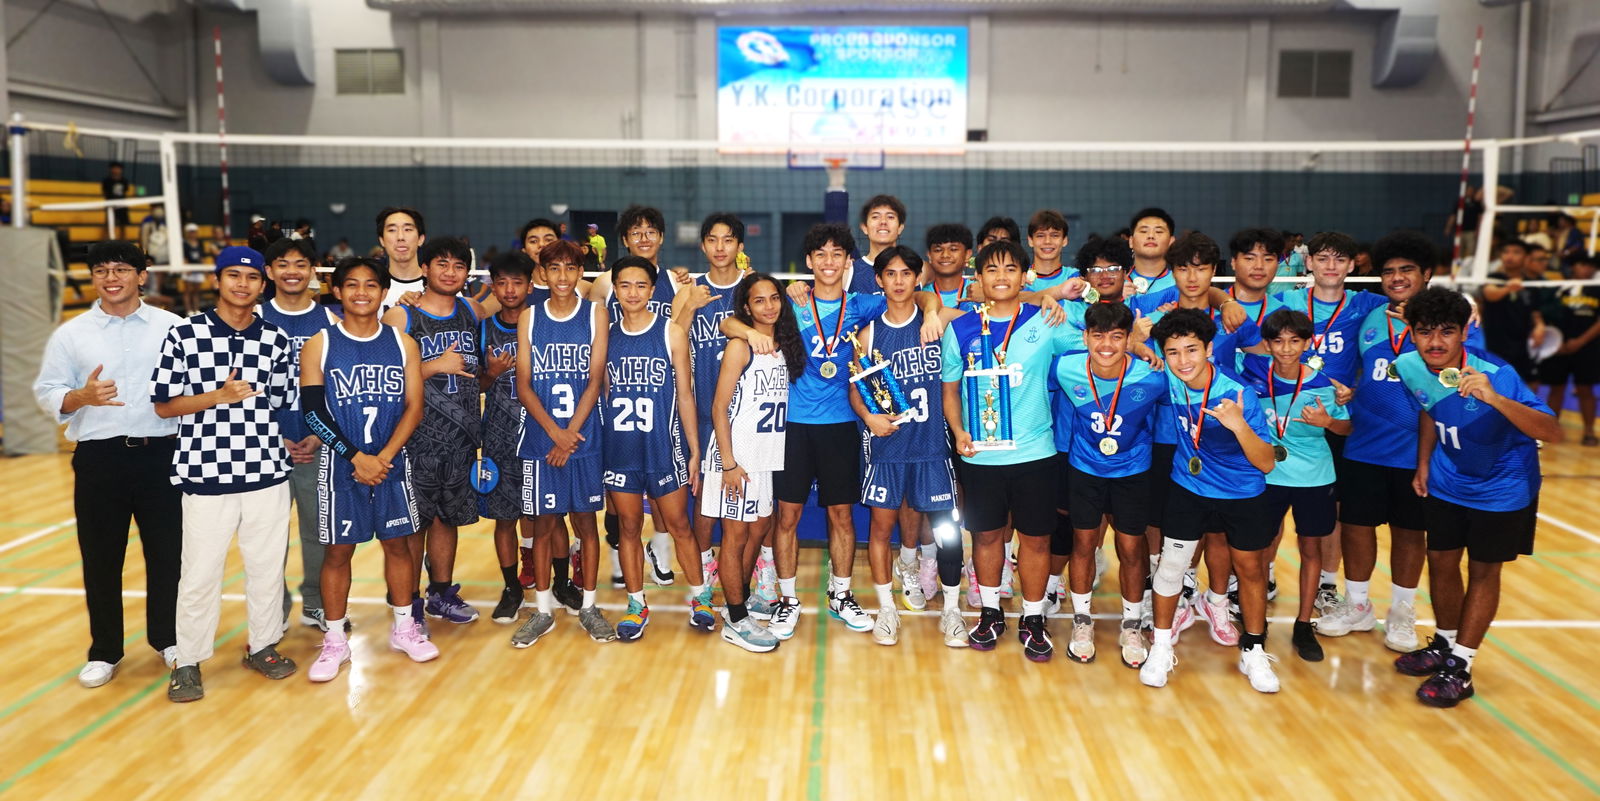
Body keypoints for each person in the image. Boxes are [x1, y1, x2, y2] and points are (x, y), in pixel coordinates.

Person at [722, 223, 946, 640]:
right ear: (808, 262)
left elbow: (920, 293)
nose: (828, 262)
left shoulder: (863, 305)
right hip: (792, 428)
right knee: (786, 516)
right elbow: (727, 323)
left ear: (847, 263)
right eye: (820, 255)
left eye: (836, 254)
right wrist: (751, 331)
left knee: (842, 516)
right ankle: (788, 600)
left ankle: (841, 594)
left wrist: (932, 311)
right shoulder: (790, 304)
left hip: (842, 425)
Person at [1393, 287, 1561, 707]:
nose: (1435, 342)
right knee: (1441, 561)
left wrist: (1496, 399)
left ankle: (1462, 667)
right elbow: (1431, 410)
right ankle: (1446, 646)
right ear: (1410, 334)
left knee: (1484, 572)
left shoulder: (1496, 372)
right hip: (1448, 483)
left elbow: (1550, 431)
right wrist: (1424, 463)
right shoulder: (1410, 366)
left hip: (1502, 488)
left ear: (1464, 332)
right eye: (1425, 332)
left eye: (1446, 332)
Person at [33, 241, 184, 688]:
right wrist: (79, 396)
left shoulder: (174, 327)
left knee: (168, 555)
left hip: (163, 455)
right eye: (101, 270)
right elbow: (47, 391)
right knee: (100, 558)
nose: (111, 277)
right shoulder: (71, 334)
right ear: (93, 278)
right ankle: (104, 651)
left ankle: (169, 639)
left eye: (121, 268)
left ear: (143, 274)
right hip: (100, 459)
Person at [151, 245, 298, 702]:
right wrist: (218, 396)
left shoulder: (275, 339)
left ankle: (263, 645)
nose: (242, 284)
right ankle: (188, 660)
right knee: (198, 574)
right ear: (217, 280)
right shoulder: (185, 334)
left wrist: (302, 439)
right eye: (232, 276)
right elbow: (163, 406)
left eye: (251, 278)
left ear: (262, 284)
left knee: (267, 569)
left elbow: (285, 404)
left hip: (267, 473)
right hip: (205, 474)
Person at [1324, 231, 1480, 650]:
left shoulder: (1451, 323)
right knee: (1355, 526)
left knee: (1409, 532)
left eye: (1406, 270)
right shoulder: (1371, 314)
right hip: (1363, 442)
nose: (1396, 278)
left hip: (1419, 449)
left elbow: (1465, 374)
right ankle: (1357, 605)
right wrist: (1349, 394)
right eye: (1389, 271)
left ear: (1427, 274)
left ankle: (1402, 611)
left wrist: (1468, 309)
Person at [941, 239, 1080, 660]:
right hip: (982, 455)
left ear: (1025, 276)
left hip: (1036, 453)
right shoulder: (960, 328)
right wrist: (958, 431)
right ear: (977, 278)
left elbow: (1095, 346)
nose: (1001, 277)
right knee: (986, 537)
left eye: (1010, 269)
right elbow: (950, 391)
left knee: (1035, 539)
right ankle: (990, 611)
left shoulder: (1047, 321)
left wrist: (1138, 344)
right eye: (992, 270)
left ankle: (1034, 618)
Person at [300, 257, 432, 681]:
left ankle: (405, 627)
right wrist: (356, 457)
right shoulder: (320, 343)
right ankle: (335, 639)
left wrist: (385, 457)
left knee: (399, 544)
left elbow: (414, 407)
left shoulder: (402, 343)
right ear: (336, 292)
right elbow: (313, 412)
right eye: (351, 285)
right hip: (341, 466)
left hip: (391, 462)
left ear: (382, 292)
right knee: (338, 552)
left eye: (371, 285)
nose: (361, 292)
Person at [1140, 308, 1280, 694]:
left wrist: (1238, 425)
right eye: (1173, 352)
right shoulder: (1170, 377)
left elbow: (1266, 462)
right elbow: (1136, 345)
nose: (1183, 361)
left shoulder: (1238, 394)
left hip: (1242, 492)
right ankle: (1162, 646)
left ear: (1209, 349)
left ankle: (1253, 649)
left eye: (1191, 350)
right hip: (1190, 486)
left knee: (1250, 570)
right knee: (1170, 566)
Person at [853, 246, 962, 647]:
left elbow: (951, 389)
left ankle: (951, 611)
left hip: (933, 446)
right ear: (879, 280)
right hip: (888, 448)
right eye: (890, 274)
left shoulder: (938, 324)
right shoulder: (868, 334)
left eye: (906, 274)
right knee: (881, 529)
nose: (898, 281)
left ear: (918, 278)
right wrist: (868, 417)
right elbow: (856, 391)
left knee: (948, 532)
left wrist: (960, 433)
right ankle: (886, 609)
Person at [603, 256, 712, 641]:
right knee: (629, 527)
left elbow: (685, 394)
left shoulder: (671, 333)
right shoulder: (605, 335)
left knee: (680, 525)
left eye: (641, 285)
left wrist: (694, 450)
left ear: (652, 290)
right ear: (614, 290)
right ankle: (636, 604)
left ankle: (700, 597)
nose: (633, 293)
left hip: (664, 448)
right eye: (625, 285)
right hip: (620, 449)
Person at [513, 239, 615, 646]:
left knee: (585, 524)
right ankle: (542, 611)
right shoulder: (529, 318)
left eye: (570, 269)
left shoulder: (595, 313)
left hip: (584, 437)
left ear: (580, 273)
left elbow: (595, 379)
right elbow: (523, 383)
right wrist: (555, 433)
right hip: (542, 439)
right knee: (543, 526)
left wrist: (570, 433)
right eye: (553, 268)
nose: (561, 277)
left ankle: (589, 605)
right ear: (542, 272)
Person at [1054, 301, 1167, 668]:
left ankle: (1132, 624)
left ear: (1129, 339)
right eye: (1098, 335)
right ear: (1085, 337)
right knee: (1084, 543)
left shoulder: (1152, 376)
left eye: (1117, 337)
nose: (1107, 345)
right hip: (1084, 468)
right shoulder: (1066, 367)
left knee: (1132, 548)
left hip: (1133, 472)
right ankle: (1082, 620)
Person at [381, 236, 486, 626]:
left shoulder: (472, 313)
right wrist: (432, 366)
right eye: (442, 264)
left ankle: (441, 593)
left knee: (448, 521)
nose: (450, 272)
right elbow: (387, 380)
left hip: (460, 441)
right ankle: (408, 604)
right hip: (415, 441)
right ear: (424, 269)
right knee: (414, 524)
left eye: (459, 266)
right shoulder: (401, 317)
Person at [1239, 309, 1349, 662]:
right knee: (1260, 547)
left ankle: (1303, 623)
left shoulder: (1322, 384)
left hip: (1314, 478)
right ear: (1267, 344)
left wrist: (1328, 420)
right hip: (1268, 476)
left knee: (1311, 549)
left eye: (1295, 341)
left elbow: (1346, 428)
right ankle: (1256, 620)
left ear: (1306, 343)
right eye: (1278, 341)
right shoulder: (1254, 376)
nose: (1286, 348)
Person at [703, 271, 802, 652]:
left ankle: (738, 600)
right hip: (736, 458)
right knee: (735, 535)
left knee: (758, 530)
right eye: (759, 300)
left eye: (774, 298)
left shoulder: (781, 345)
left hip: (764, 457)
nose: (769, 306)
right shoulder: (740, 347)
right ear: (747, 306)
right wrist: (728, 463)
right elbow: (718, 406)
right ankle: (736, 619)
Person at [257, 238, 340, 632]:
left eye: (301, 264)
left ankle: (316, 602)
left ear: (313, 270)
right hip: (262, 447)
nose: (292, 271)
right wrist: (274, 436)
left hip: (315, 445)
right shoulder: (253, 316)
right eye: (283, 264)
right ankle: (273, 608)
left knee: (318, 530)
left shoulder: (329, 322)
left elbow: (340, 390)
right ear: (269, 271)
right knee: (266, 537)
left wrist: (320, 435)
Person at [476, 251, 550, 625]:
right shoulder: (485, 328)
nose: (508, 289)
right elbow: (474, 385)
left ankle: (555, 583)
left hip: (539, 432)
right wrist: (489, 374)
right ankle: (511, 588)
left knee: (547, 516)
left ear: (530, 286)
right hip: (499, 436)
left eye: (516, 282)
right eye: (501, 282)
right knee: (504, 519)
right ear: (492, 286)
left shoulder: (543, 324)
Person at [681, 213, 750, 602]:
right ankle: (704, 570)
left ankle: (756, 567)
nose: (720, 247)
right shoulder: (689, 289)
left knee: (752, 497)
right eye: (713, 240)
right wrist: (689, 306)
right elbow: (673, 337)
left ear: (739, 247)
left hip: (750, 415)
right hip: (705, 410)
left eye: (728, 240)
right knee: (705, 496)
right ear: (703, 245)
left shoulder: (752, 288)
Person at [1541, 253, 1600, 445]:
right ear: (1573, 267)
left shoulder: (1597, 290)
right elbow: (1546, 316)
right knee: (1556, 388)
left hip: (1587, 348)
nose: (1586, 269)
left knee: (1585, 389)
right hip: (1559, 348)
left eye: (1590, 266)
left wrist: (1580, 341)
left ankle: (1589, 431)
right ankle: (1551, 429)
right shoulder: (1558, 289)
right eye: (1582, 264)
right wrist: (1556, 342)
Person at [1479, 239, 1544, 386]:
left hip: (1523, 343)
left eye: (1516, 252)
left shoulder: (1530, 282)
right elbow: (1490, 294)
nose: (1510, 256)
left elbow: (1535, 312)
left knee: (1532, 383)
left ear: (1526, 257)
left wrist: (1540, 326)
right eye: (1506, 252)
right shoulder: (1494, 277)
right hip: (1498, 343)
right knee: (1499, 384)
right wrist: (1508, 288)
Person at [376, 207, 427, 312]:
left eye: (407, 229)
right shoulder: (371, 287)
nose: (400, 237)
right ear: (382, 241)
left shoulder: (440, 285)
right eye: (392, 230)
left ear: (421, 239)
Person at [1127, 207, 1177, 296]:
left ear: (1171, 242)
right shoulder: (1116, 283)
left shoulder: (1181, 284)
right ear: (1131, 241)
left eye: (1158, 231)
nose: (1151, 236)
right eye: (1143, 231)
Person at [1025, 209, 1077, 293]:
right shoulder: (1020, 278)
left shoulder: (1074, 277)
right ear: (1030, 241)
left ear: (1064, 240)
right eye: (1040, 236)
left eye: (1055, 235)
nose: (1047, 241)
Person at [180, 223, 208, 314]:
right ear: (187, 233)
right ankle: (188, 310)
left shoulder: (200, 243)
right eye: (191, 232)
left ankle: (196, 309)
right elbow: (184, 257)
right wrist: (186, 268)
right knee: (187, 290)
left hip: (198, 268)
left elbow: (202, 257)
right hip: (188, 268)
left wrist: (204, 269)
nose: (193, 234)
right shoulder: (184, 243)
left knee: (196, 291)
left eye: (194, 232)